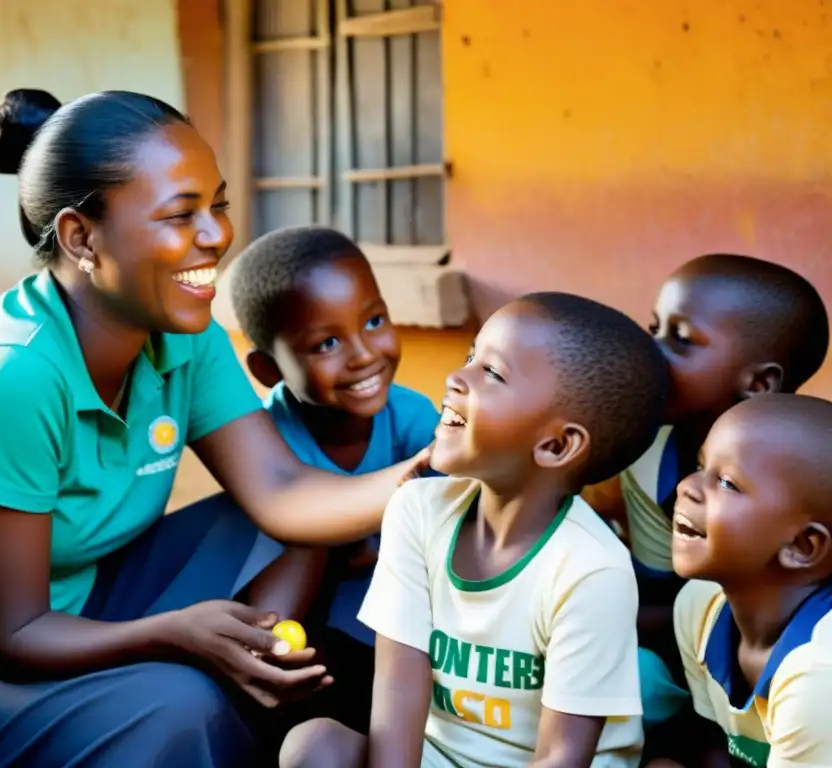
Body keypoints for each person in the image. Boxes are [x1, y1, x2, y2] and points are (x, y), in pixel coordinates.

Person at [0, 89, 426, 768]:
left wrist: (431, 471)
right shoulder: (9, 379)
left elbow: (283, 488)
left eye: (217, 205)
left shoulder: (180, 330)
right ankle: (214, 698)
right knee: (178, 706)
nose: (217, 235)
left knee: (297, 525)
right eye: (180, 215)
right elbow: (10, 633)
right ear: (81, 237)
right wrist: (175, 634)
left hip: (86, 591)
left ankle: (262, 683)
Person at [281, 292, 667, 768]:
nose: (455, 378)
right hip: (439, 756)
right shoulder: (418, 509)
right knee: (314, 748)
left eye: (492, 373)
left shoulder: (591, 569)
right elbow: (399, 686)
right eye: (470, 357)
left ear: (557, 445)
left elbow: (562, 756)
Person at [592, 254, 828, 732]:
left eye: (680, 340)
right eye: (653, 327)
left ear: (759, 383)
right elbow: (669, 589)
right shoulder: (648, 453)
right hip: (698, 648)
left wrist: (575, 620)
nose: (648, 351)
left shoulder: (813, 474)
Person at [229, 225, 439, 729]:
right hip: (307, 614)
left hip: (400, 620)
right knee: (303, 531)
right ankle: (269, 658)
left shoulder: (413, 420)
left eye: (374, 319)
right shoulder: (264, 437)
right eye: (326, 343)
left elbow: (446, 529)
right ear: (267, 368)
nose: (364, 353)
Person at [649, 394, 832, 768]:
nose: (687, 486)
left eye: (728, 483)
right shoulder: (700, 606)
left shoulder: (819, 671)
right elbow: (717, 746)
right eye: (700, 466)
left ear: (801, 546)